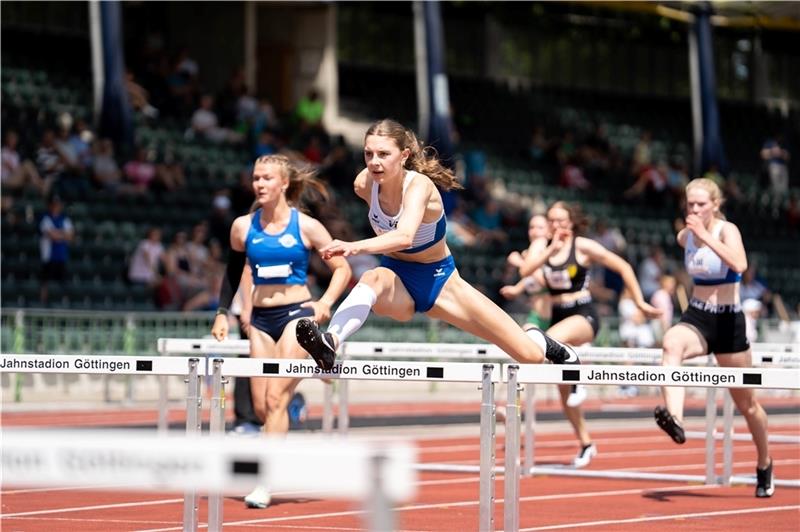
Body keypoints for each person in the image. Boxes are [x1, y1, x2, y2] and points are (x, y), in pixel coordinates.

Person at [292, 119, 581, 401]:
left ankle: (545, 342)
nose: (374, 162)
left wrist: (354, 247)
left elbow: (405, 236)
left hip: (439, 281)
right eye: (368, 154)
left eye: (383, 154)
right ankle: (330, 343)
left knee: (529, 356)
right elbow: (397, 245)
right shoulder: (364, 185)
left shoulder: (419, 187)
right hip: (396, 277)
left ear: (404, 155)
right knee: (372, 278)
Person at [210, 154, 352, 508]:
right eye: (256, 177)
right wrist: (223, 313)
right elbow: (231, 272)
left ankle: (264, 482)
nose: (259, 184)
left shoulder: (306, 226)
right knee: (261, 407)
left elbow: (343, 269)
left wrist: (326, 303)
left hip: (297, 315)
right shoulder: (243, 227)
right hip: (259, 319)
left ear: (283, 184)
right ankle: (301, 392)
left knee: (275, 400)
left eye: (267, 178)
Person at [515, 200, 661, 467]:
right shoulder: (542, 245)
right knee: (564, 395)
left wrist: (639, 301)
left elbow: (623, 266)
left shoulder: (582, 246)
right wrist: (551, 251)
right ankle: (586, 443)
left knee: (550, 342)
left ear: (571, 223)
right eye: (552, 220)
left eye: (561, 221)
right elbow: (525, 271)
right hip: (557, 314)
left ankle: (576, 372)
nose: (556, 226)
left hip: (583, 314)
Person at [654, 178, 773, 498]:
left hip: (728, 322)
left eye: (701, 204)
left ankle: (764, 463)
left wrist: (705, 235)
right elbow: (687, 255)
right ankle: (676, 419)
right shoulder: (685, 235)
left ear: (715, 205)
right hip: (698, 316)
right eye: (690, 204)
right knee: (671, 344)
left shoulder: (726, 230)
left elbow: (740, 264)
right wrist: (694, 236)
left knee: (747, 405)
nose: (694, 209)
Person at [39, 195, 74, 305]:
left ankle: (65, 303)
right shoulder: (46, 218)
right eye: (54, 205)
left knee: (63, 282)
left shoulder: (64, 219)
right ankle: (43, 302)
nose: (56, 207)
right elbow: (52, 235)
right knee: (45, 281)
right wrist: (62, 234)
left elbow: (70, 235)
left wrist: (58, 234)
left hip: (61, 256)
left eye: (58, 205)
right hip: (48, 256)